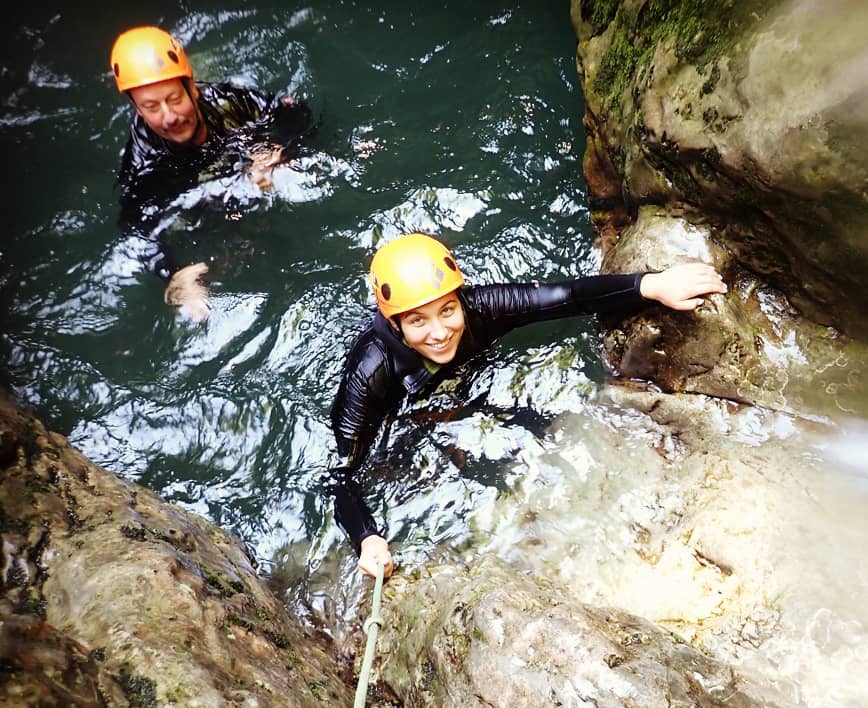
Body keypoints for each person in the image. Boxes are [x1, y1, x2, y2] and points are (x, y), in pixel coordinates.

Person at [329, 233, 728, 580]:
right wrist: (367, 537)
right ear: (395, 324)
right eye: (418, 321)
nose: (439, 332)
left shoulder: (480, 308)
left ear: (458, 300)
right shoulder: (370, 372)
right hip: (404, 412)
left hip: (468, 385)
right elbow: (341, 475)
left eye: (447, 310)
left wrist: (649, 286)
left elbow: (565, 297)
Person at [110, 25, 313, 320]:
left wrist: (276, 150)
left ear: (192, 88)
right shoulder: (147, 165)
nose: (169, 118)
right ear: (137, 109)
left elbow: (296, 114)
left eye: (175, 99)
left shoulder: (228, 102)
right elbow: (135, 228)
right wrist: (173, 274)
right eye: (151, 107)